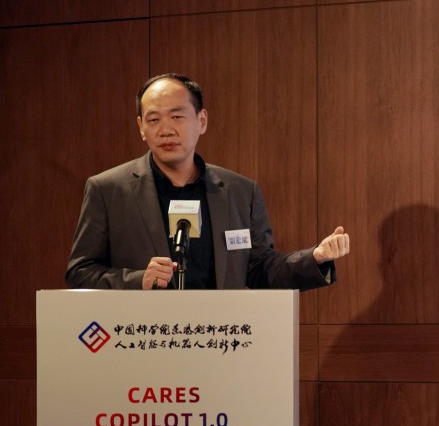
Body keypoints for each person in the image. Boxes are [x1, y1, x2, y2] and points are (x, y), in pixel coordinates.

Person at [65, 73, 350, 290]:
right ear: (141, 127)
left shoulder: (240, 191)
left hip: (216, 341)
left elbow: (260, 268)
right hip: (143, 344)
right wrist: (137, 280)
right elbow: (80, 272)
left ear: (201, 121)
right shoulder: (108, 189)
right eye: (153, 120)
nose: (165, 129)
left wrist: (315, 257)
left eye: (177, 116)